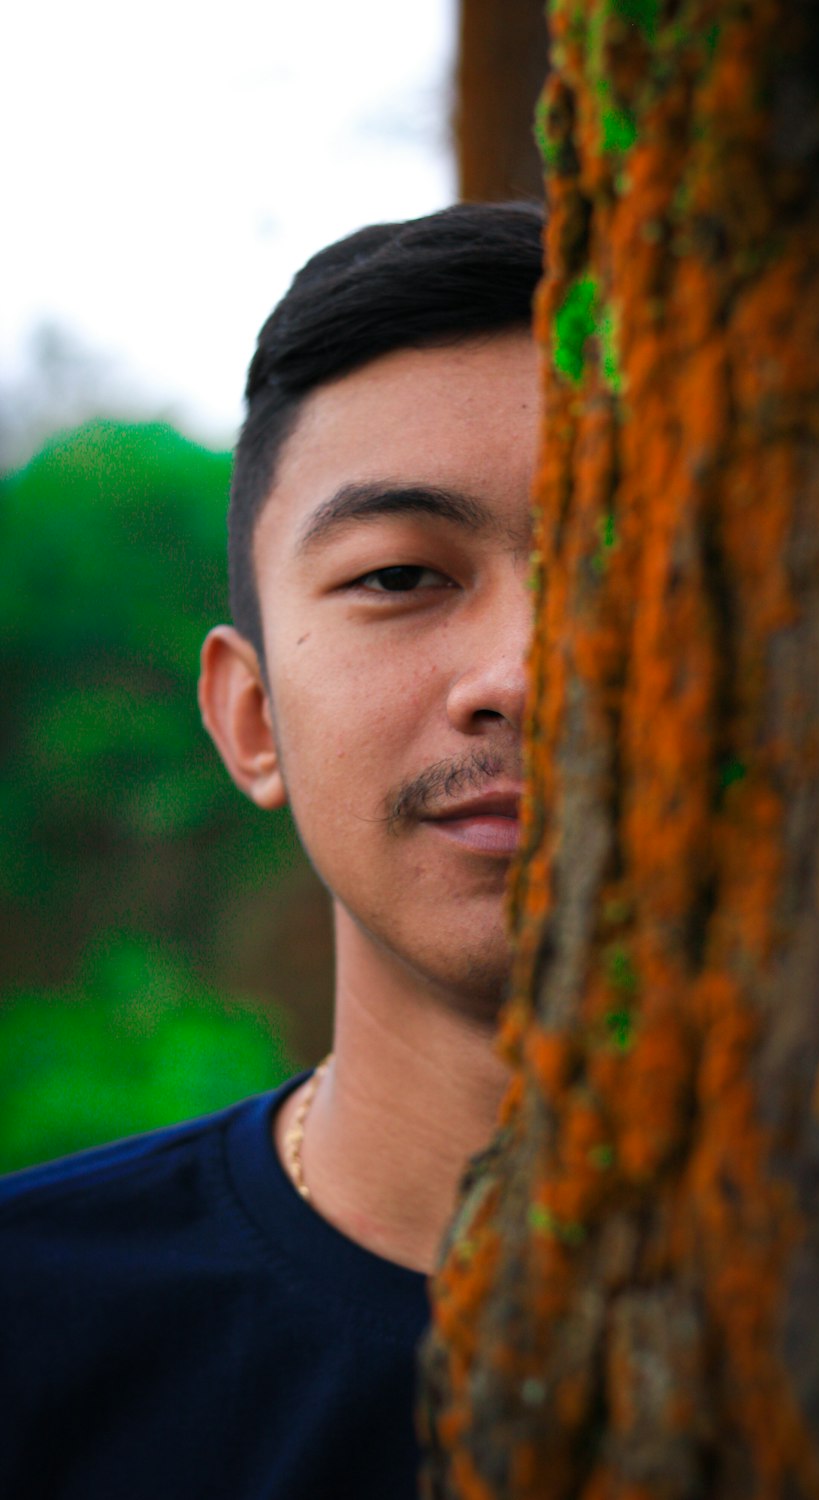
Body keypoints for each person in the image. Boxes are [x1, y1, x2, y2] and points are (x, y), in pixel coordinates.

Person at [0, 200, 545, 1499]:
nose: (526, 673)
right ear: (252, 721)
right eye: (401, 576)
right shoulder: (33, 1332)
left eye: (631, 563)